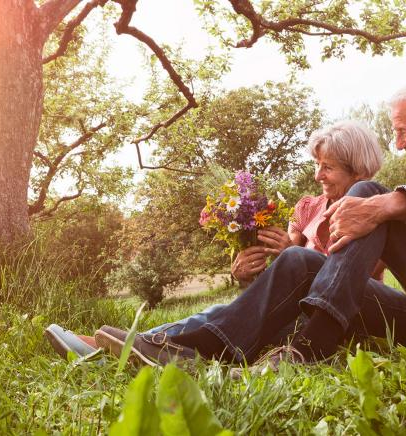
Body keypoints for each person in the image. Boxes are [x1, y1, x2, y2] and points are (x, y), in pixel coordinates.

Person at [94, 75, 406, 369]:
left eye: (403, 131)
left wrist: (378, 206)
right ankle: (185, 346)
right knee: (298, 264)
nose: (398, 144)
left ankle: (307, 346)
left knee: (367, 197)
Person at [45, 120, 386, 360]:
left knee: (220, 314)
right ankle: (120, 347)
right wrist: (246, 271)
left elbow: (355, 279)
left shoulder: (373, 211)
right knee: (218, 310)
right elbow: (277, 278)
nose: (317, 175)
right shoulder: (306, 208)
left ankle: (123, 346)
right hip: (286, 312)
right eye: (317, 164)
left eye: (328, 167)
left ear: (356, 170)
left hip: (327, 321)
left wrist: (293, 253)